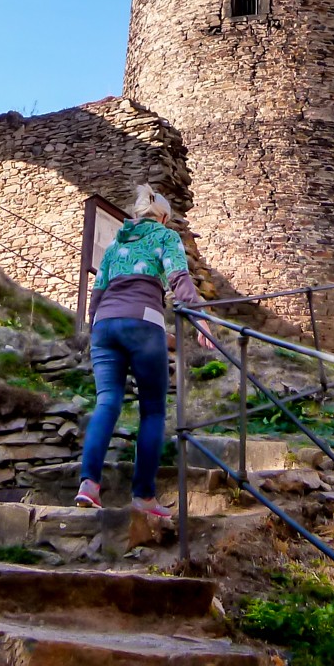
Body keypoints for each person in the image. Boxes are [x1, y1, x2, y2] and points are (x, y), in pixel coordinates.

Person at [75, 184, 200, 516]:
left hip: (104, 325)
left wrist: (92, 328)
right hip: (143, 322)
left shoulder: (117, 243)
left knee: (107, 401)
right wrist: (202, 320)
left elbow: (98, 288)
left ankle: (89, 483)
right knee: (153, 411)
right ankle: (143, 496)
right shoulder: (163, 236)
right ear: (161, 216)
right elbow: (178, 278)